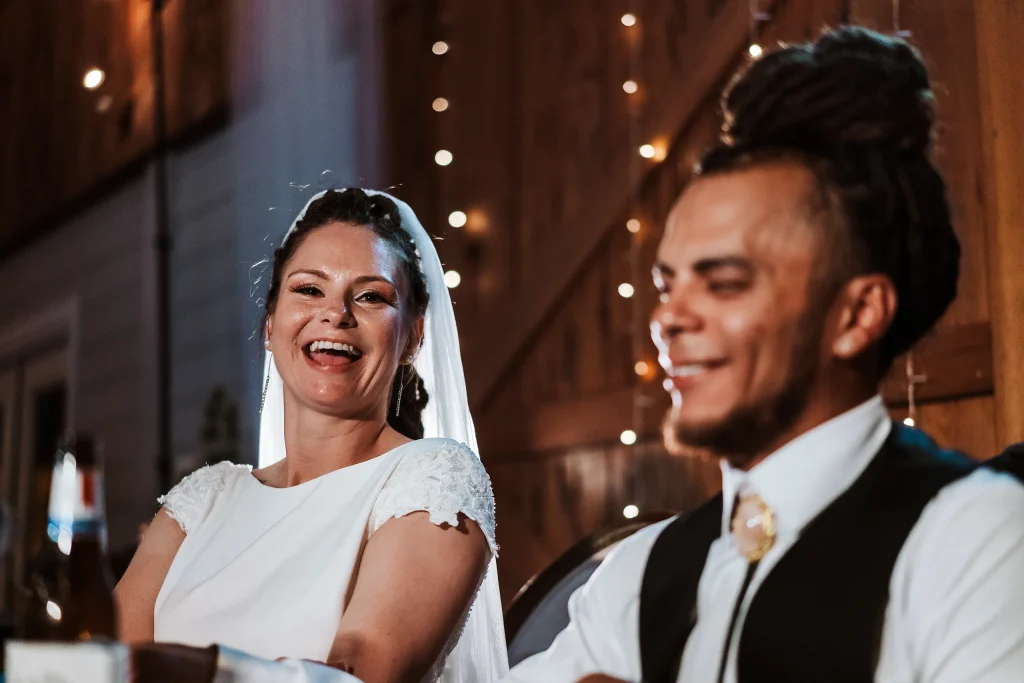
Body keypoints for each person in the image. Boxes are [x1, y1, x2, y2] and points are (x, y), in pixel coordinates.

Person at [503, 27, 1024, 683]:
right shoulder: (641, 571)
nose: (668, 317)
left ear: (856, 315)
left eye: (723, 283)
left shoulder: (970, 533)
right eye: (668, 284)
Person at [116, 188, 508, 683]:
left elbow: (361, 669)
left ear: (412, 336)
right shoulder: (201, 501)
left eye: (370, 296)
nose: (336, 313)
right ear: (269, 324)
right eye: (308, 289)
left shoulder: (432, 483)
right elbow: (102, 662)